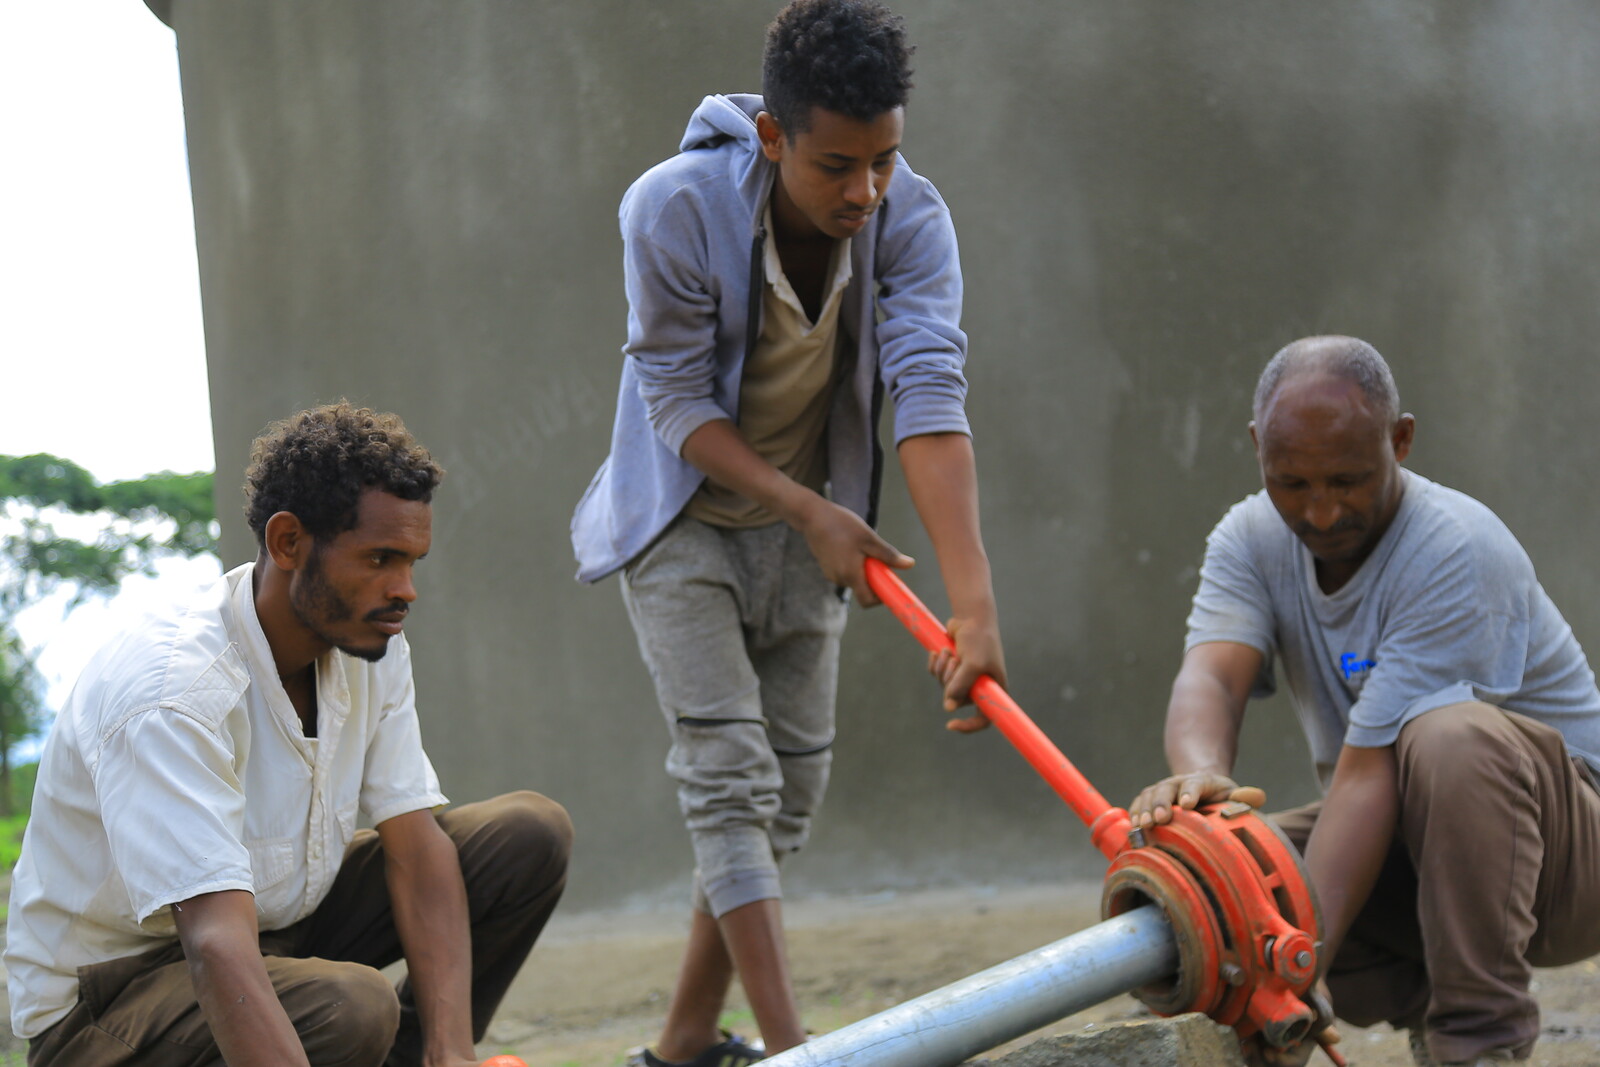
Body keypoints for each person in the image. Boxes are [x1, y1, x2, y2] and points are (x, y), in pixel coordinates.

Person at [570, 0, 1005, 1061]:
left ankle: (679, 1041)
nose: (864, 191)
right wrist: (812, 509)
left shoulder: (910, 216)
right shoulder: (670, 208)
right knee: (729, 783)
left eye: (884, 160)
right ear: (771, 136)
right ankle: (794, 1047)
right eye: (836, 166)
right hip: (682, 526)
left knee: (786, 795)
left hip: (814, 531)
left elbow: (928, 396)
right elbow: (676, 408)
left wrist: (974, 604)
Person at [5, 403, 573, 1067]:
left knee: (527, 834)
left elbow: (417, 851)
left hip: (272, 937)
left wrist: (452, 1053)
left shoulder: (372, 646)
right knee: (351, 1005)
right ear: (287, 542)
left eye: (413, 562)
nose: (405, 589)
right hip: (111, 1008)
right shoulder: (174, 692)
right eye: (380, 559)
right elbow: (214, 941)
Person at [1127, 337, 1600, 1067]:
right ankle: (1421, 997)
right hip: (1420, 837)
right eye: (1292, 483)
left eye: (1348, 479)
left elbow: (1370, 774)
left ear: (1401, 440)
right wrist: (1201, 786)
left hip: (1571, 863)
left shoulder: (1455, 546)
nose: (1320, 512)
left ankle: (1478, 1041)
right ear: (1258, 447)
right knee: (1221, 877)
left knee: (1448, 738)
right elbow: (1212, 678)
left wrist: (1296, 968)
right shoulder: (1249, 537)